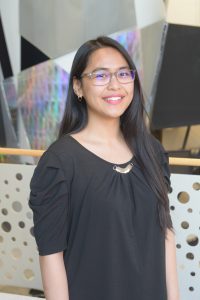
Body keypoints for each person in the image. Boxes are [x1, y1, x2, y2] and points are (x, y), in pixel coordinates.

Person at [29, 36, 180, 300]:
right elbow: (51, 256)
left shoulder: (151, 150)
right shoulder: (60, 162)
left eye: (123, 74)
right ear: (78, 87)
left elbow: (165, 234)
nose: (115, 85)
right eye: (100, 76)